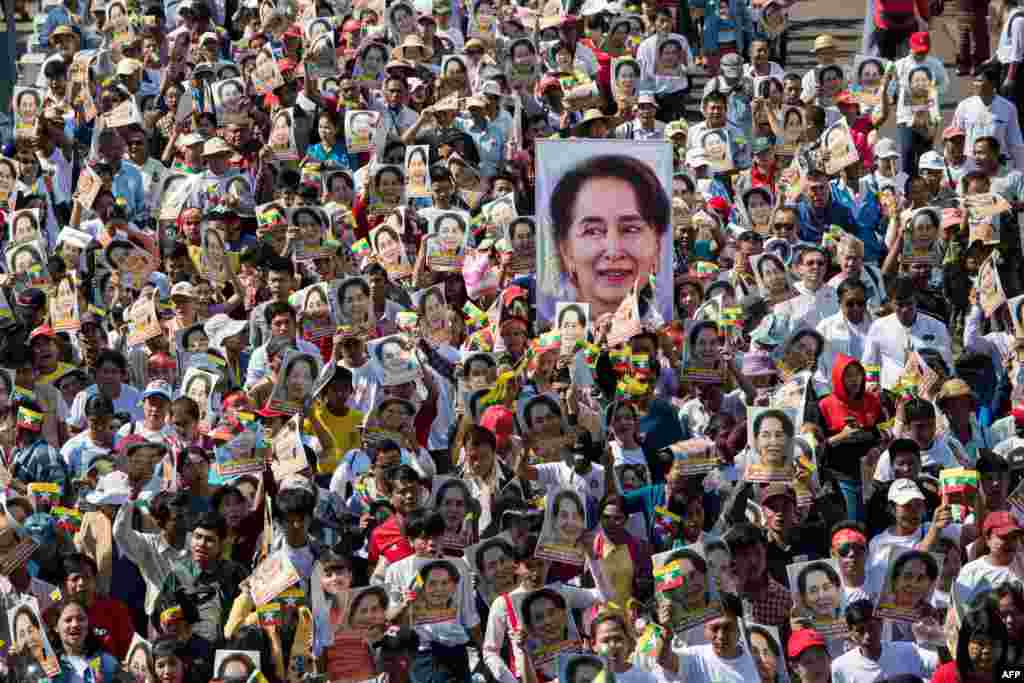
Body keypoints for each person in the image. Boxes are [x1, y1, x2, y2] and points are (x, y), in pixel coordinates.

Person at [544, 154, 670, 321]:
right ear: (565, 250)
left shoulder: (666, 335)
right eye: (593, 231)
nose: (613, 251)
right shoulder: (551, 340)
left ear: (657, 245)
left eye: (630, 229)